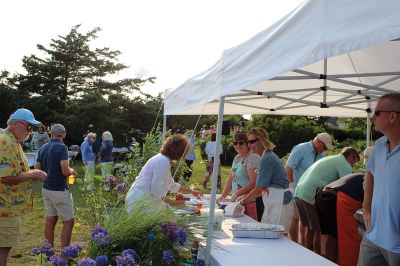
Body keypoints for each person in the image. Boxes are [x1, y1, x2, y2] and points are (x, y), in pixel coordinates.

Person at [0, 108, 47, 265]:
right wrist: (34, 174)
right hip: (5, 209)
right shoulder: (5, 141)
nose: (30, 131)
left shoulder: (13, 141)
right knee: (2, 248)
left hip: (8, 207)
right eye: (29, 127)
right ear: (17, 124)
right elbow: (7, 176)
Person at [358, 93, 400, 266]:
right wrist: (366, 208)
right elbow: (371, 174)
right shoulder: (380, 145)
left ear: (392, 116)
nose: (373, 117)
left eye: (377, 113)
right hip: (374, 234)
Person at [294, 147, 360, 255]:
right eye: (355, 162)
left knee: (309, 229)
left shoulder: (332, 158)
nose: (353, 165)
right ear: (350, 157)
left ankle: (307, 257)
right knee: (317, 230)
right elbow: (347, 186)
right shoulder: (344, 164)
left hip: (299, 192)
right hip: (310, 194)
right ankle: (315, 259)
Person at [315, 147, 372, 264]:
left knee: (331, 235)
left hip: (323, 195)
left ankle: (330, 261)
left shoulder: (363, 175)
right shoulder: (370, 177)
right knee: (348, 238)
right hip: (335, 198)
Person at [233, 128, 293, 230]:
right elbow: (263, 187)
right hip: (276, 201)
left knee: (277, 238)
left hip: (281, 202)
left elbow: (258, 188)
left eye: (252, 141)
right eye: (248, 142)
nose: (249, 145)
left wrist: (243, 202)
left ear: (261, 141)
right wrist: (245, 196)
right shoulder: (266, 156)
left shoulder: (267, 158)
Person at [125, 134, 202, 212]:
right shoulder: (163, 161)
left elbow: (171, 184)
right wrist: (172, 202)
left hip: (142, 200)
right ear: (179, 152)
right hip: (140, 202)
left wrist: (192, 192)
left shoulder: (163, 159)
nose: (185, 155)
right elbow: (156, 188)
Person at [285, 132, 333, 243]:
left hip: (311, 193)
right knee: (296, 218)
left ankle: (302, 245)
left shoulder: (321, 155)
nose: (325, 149)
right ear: (318, 142)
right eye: (324, 147)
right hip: (297, 190)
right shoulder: (301, 148)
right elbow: (288, 168)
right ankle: (294, 244)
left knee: (305, 221)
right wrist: (292, 186)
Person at [35, 124, 76, 250]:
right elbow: (65, 171)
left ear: (50, 133)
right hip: (59, 189)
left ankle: (49, 254)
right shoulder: (62, 147)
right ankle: (64, 256)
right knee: (68, 221)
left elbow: (37, 169)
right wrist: (72, 171)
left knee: (51, 219)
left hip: (46, 188)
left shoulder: (43, 148)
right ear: (63, 135)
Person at [217, 131, 261, 221]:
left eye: (241, 143)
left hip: (251, 202)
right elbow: (231, 177)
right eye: (235, 143)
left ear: (247, 143)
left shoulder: (252, 158)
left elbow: (254, 183)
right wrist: (223, 196)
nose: (238, 145)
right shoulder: (237, 157)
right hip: (239, 202)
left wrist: (236, 194)